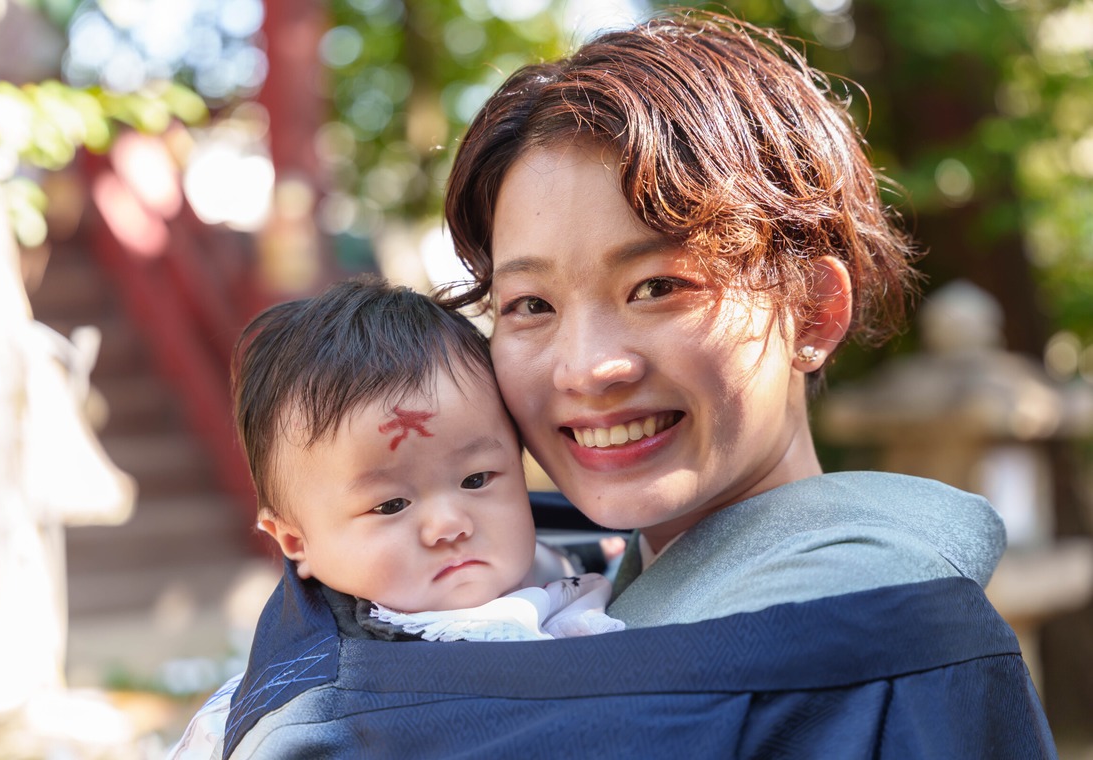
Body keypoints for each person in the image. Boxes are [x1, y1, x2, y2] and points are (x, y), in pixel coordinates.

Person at [189, 11, 1057, 759]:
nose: (587, 367)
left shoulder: (889, 649)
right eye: (529, 303)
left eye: (658, 287)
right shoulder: (527, 581)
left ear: (815, 311)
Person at [166, 276, 623, 759]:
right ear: (296, 541)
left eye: (477, 479)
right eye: (389, 506)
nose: (449, 524)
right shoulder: (316, 714)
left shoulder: (583, 567)